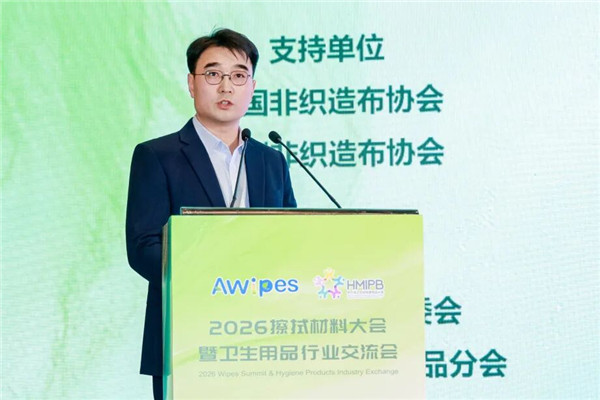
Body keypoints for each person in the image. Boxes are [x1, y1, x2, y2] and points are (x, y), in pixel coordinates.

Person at [125, 28, 296, 399]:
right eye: (213, 74)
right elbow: (143, 248)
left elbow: (291, 240)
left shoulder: (271, 161)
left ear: (252, 87)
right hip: (187, 340)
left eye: (238, 76)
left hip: (263, 341)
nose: (226, 87)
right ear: (192, 83)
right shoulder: (157, 156)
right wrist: (216, 277)